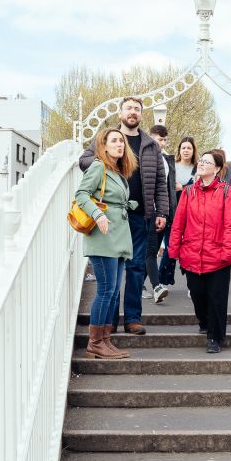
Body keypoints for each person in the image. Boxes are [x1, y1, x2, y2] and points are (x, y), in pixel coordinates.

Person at [79, 96, 169, 335]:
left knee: (137, 268)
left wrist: (162, 211)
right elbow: (84, 160)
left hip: (140, 215)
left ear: (141, 115)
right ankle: (110, 322)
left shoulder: (150, 145)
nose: (133, 112)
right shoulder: (107, 139)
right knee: (113, 271)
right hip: (112, 215)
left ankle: (132, 318)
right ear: (120, 113)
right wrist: (109, 160)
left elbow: (161, 181)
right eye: (128, 108)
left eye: (137, 109)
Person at [168, 149, 231, 354]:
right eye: (200, 161)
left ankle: (215, 337)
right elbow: (178, 223)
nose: (200, 164)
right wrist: (174, 251)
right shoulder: (189, 192)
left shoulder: (226, 192)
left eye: (206, 162)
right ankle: (204, 321)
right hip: (192, 254)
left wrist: (228, 253)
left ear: (217, 169)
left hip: (218, 256)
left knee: (216, 298)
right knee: (198, 294)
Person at [75, 128, 137, 359]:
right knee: (105, 290)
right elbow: (81, 194)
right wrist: (98, 214)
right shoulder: (98, 166)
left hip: (117, 235)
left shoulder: (117, 171)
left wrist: (127, 204)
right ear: (104, 145)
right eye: (114, 141)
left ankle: (105, 340)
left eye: (121, 141)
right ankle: (95, 342)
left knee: (112, 292)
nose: (120, 144)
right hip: (103, 237)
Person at [158, 136, 196, 289]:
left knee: (190, 249)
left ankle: (192, 284)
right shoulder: (171, 166)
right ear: (179, 150)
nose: (186, 150)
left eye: (189, 148)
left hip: (192, 213)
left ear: (194, 150)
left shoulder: (198, 168)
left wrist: (184, 188)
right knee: (170, 247)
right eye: (183, 148)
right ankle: (162, 281)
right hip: (172, 211)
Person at [146, 125, 177, 304]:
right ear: (151, 138)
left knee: (151, 250)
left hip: (159, 212)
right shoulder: (143, 156)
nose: (163, 143)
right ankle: (155, 286)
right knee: (147, 252)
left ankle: (151, 286)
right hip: (145, 212)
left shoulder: (165, 160)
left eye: (165, 140)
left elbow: (165, 188)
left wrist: (164, 213)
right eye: (160, 139)